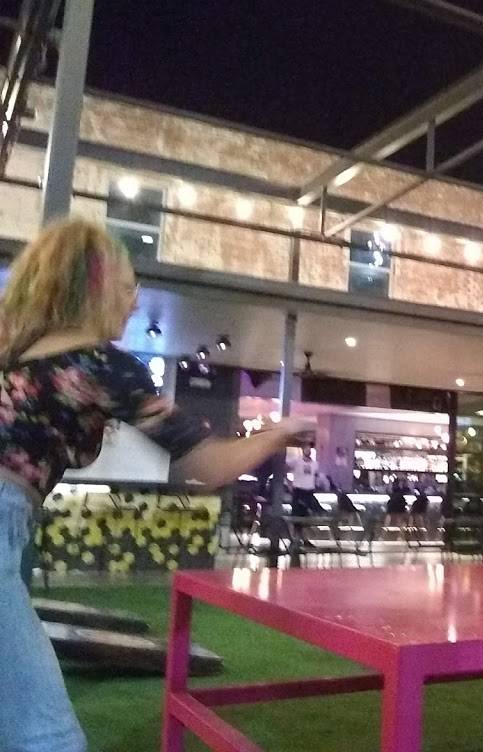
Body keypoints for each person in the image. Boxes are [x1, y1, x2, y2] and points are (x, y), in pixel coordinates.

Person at [0, 219, 314, 752]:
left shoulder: (16, 358)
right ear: (94, 288)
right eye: (127, 288)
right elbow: (208, 467)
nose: (134, 302)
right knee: (48, 739)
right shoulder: (102, 366)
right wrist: (280, 432)